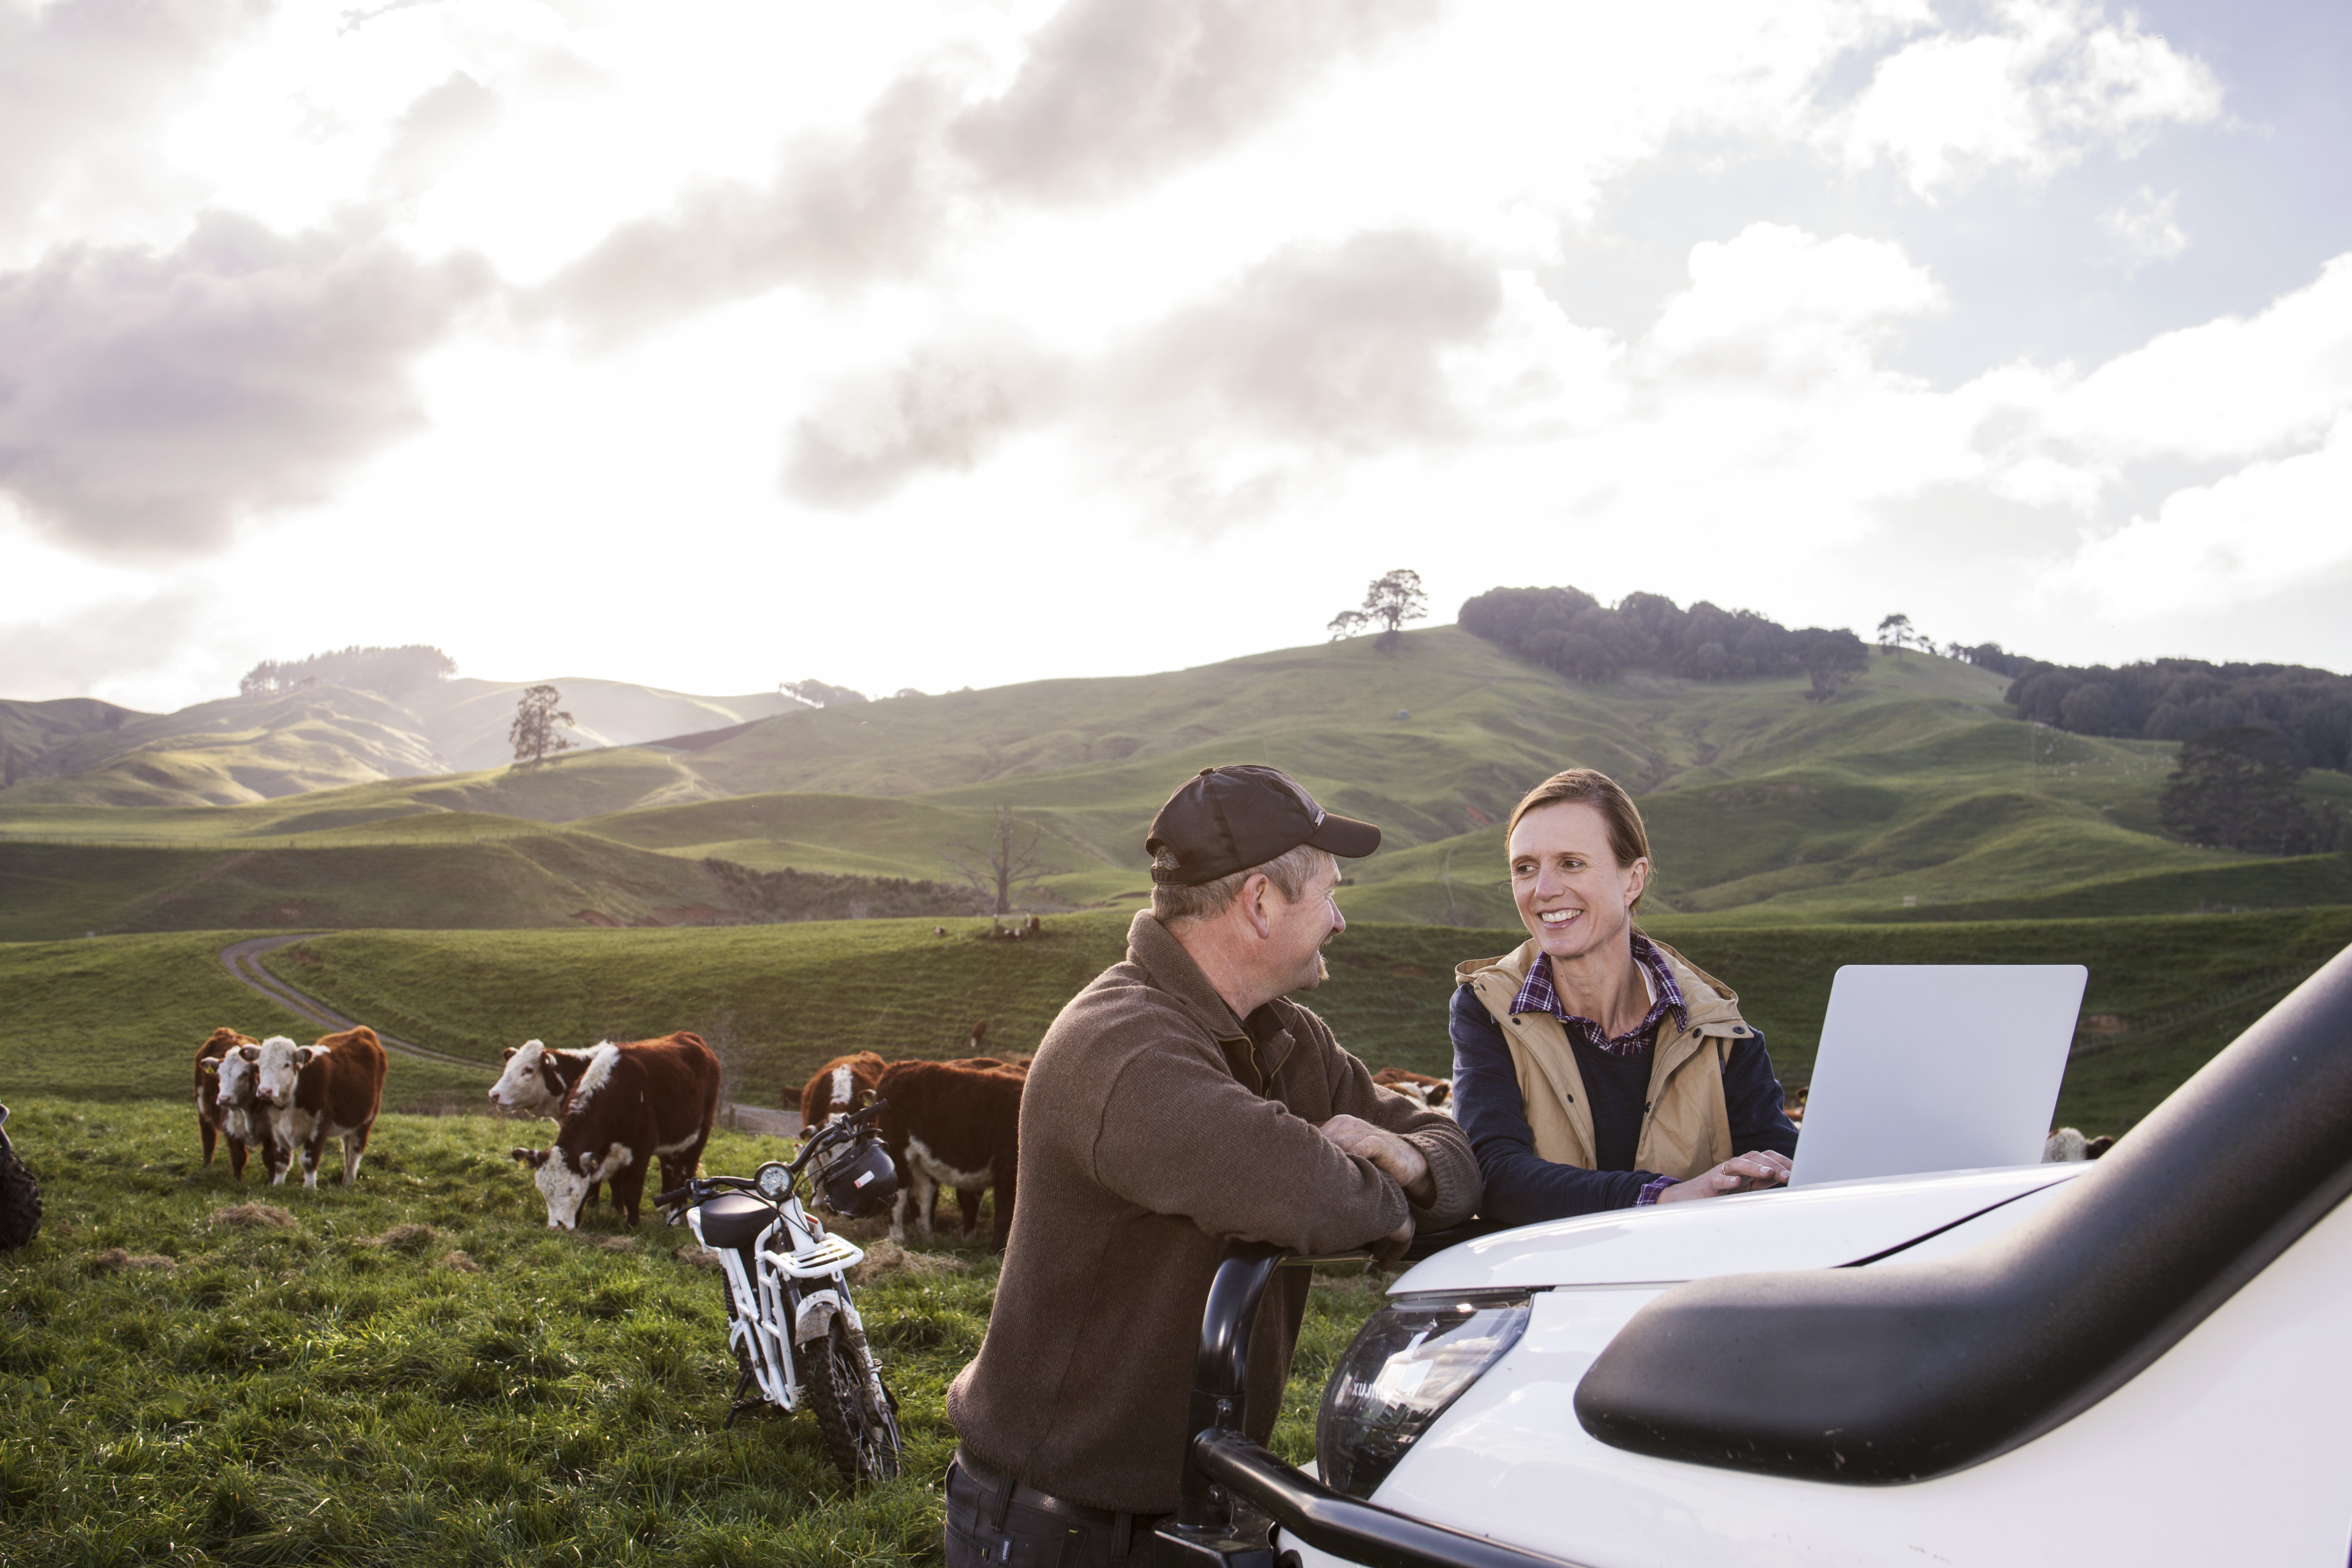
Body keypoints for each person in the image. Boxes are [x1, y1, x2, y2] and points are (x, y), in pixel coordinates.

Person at [944, 764, 1479, 1567]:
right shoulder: (1123, 1050)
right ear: (1260, 902)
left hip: (1189, 1509)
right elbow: (1304, 1191)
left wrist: (1406, 1157)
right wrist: (1394, 1203)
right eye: (1330, 892)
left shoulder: (1287, 1037)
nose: (1339, 920)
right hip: (1063, 1533)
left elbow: (1458, 1160)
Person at [1452, 768, 1798, 1224]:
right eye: (1525, 868)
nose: (1544, 890)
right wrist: (1664, 1199)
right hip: (1550, 1287)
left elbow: (1785, 1166)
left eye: (1571, 863)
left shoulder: (1720, 1028)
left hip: (1689, 1287)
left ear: (1632, 880)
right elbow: (1493, 1175)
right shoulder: (1488, 1008)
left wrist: (1766, 1178)